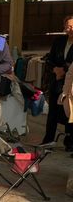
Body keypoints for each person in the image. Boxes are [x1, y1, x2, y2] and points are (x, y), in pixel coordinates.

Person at [43, 15, 73, 150]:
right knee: (53, 113)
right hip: (57, 81)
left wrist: (65, 69)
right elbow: (49, 59)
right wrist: (55, 69)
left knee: (70, 113)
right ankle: (48, 140)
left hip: (71, 84)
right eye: (68, 26)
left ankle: (70, 142)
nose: (70, 29)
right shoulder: (59, 41)